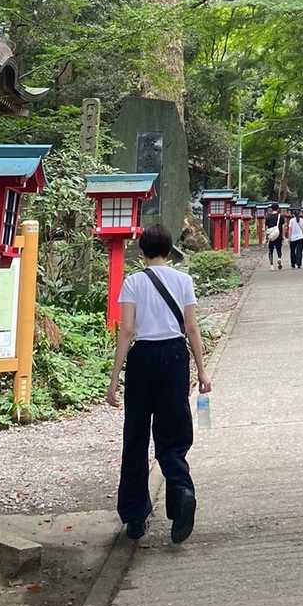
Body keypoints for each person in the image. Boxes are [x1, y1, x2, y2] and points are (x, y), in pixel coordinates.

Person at [107, 224, 212, 544]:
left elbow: (127, 331)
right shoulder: (183, 281)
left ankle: (135, 516)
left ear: (142, 251)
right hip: (175, 356)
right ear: (169, 250)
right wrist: (202, 372)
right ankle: (181, 492)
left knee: (136, 436)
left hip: (143, 359)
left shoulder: (133, 282)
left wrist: (114, 378)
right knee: (173, 433)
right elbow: (192, 328)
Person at [265, 203, 284, 270]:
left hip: (271, 235)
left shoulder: (268, 217)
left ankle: (271, 265)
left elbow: (266, 227)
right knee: (279, 249)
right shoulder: (280, 216)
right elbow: (283, 226)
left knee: (271, 250)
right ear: (278, 209)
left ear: (271, 209)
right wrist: (283, 236)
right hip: (278, 235)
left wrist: (266, 237)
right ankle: (279, 258)